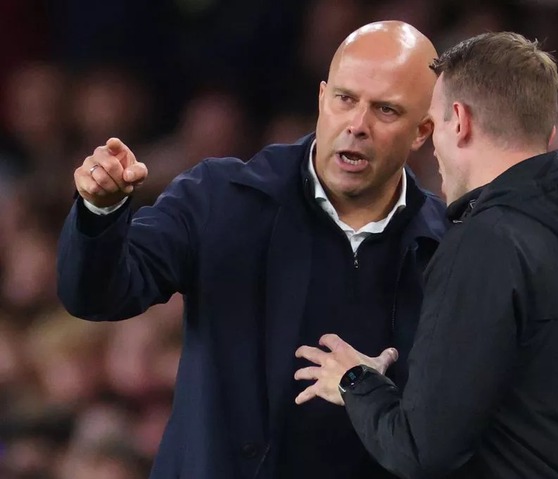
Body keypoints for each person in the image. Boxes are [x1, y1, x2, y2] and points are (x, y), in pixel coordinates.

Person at [56, 21, 447, 479]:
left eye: (385, 110)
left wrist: (378, 392)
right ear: (322, 99)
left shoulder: (445, 247)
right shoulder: (222, 197)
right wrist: (101, 213)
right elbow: (100, 294)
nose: (357, 126)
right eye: (345, 99)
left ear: (422, 131)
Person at [294, 32, 558, 478]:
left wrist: (355, 383)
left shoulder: (482, 245)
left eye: (436, 123)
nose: (433, 146)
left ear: (459, 121)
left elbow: (423, 451)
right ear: (547, 133)